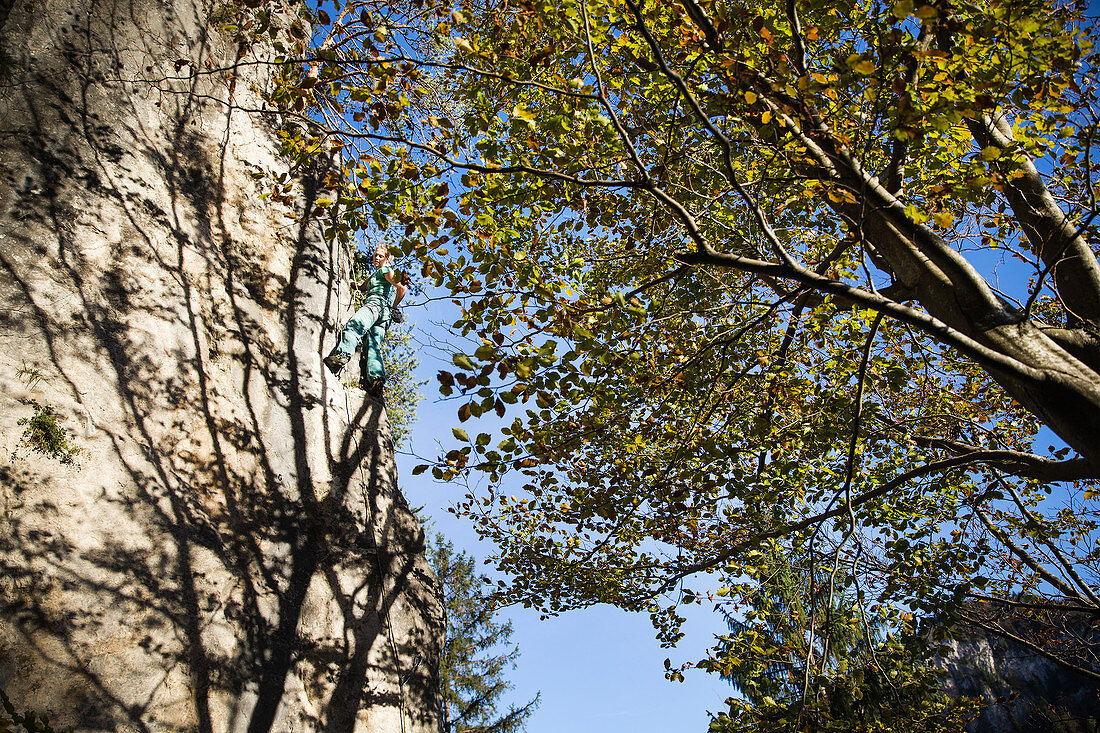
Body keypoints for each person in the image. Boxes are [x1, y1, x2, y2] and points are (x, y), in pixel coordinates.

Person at [324, 243, 406, 395]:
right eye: (375, 254)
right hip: (383, 314)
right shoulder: (376, 274)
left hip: (376, 305)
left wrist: (395, 306)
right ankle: (376, 379)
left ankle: (342, 355)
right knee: (372, 345)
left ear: (387, 258)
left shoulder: (385, 269)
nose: (376, 257)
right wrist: (348, 282)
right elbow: (362, 287)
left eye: (381, 255)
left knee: (355, 326)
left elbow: (401, 288)